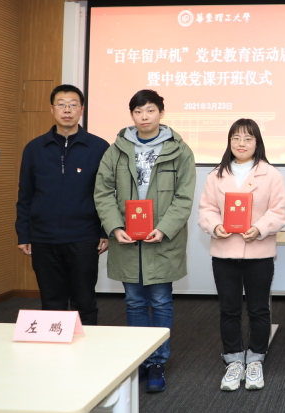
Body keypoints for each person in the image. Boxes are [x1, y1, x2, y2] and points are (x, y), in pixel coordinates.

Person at [94, 89, 196, 393]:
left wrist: (164, 228)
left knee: (161, 300)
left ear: (161, 113)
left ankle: (157, 362)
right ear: (132, 115)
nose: (144, 117)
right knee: (134, 301)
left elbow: (184, 197)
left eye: (150, 110)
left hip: (161, 238)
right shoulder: (116, 149)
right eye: (138, 112)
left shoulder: (180, 150)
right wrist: (114, 227)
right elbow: (103, 192)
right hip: (127, 238)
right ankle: (138, 358)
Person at [198, 119, 285, 392]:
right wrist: (216, 226)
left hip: (259, 253)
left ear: (257, 143)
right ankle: (234, 360)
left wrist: (259, 228)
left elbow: (279, 211)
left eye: (248, 138)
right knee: (229, 309)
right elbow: (206, 209)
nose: (241, 143)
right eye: (236, 138)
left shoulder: (271, 174)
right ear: (229, 142)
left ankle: (256, 359)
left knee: (259, 309)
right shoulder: (215, 175)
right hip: (224, 252)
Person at [16, 84, 109, 325]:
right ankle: (53, 348)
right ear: (52, 109)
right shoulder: (34, 148)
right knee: (51, 302)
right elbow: (25, 195)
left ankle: (88, 347)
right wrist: (24, 233)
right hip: (43, 238)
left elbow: (109, 194)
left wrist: (104, 231)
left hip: (84, 237)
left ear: (82, 110)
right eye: (61, 104)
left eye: (73, 105)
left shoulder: (100, 148)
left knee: (84, 302)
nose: (67, 110)